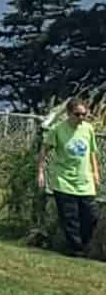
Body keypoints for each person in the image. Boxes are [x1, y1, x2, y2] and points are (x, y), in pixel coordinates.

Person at [38, 94, 100, 258]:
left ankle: (83, 244)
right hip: (63, 179)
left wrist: (95, 173)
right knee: (70, 217)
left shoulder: (88, 129)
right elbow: (44, 150)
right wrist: (41, 172)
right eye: (77, 114)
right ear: (68, 113)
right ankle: (76, 249)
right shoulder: (57, 129)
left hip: (84, 180)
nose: (81, 118)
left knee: (91, 215)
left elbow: (92, 152)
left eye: (84, 114)